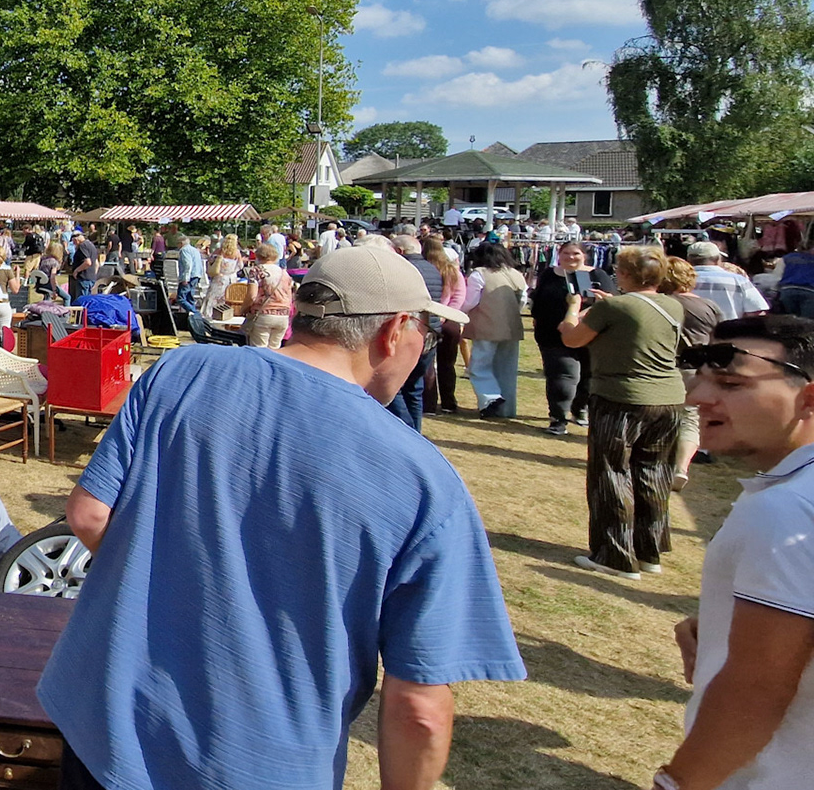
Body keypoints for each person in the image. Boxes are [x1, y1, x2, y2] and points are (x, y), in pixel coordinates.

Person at [40, 245, 520, 790]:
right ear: (394, 331)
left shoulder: (182, 369)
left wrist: (169, 586)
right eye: (426, 336)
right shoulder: (425, 481)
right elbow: (420, 708)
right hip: (257, 762)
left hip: (104, 723)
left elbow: (88, 514)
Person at [655, 316, 814, 790]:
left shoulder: (786, 508)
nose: (696, 397)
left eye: (729, 383)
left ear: (809, 399)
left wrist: (677, 784)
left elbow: (756, 689)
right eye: (700, 378)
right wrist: (727, 618)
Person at [556, 245, 686, 580]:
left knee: (611, 474)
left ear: (626, 274)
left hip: (621, 397)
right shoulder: (672, 304)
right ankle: (648, 550)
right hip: (668, 399)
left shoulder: (613, 307)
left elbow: (573, 339)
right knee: (654, 473)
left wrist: (573, 310)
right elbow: (635, 323)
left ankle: (614, 555)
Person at [532, 242, 618, 435]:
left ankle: (580, 409)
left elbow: (610, 303)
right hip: (552, 335)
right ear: (559, 255)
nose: (570, 257)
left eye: (576, 253)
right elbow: (538, 301)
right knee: (562, 375)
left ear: (584, 256)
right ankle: (558, 418)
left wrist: (579, 315)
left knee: (587, 377)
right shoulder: (549, 274)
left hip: (590, 335)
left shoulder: (597, 275)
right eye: (566, 253)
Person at [659, 256, 723, 491]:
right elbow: (717, 340)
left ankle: (655, 461)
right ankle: (681, 468)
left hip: (664, 365)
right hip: (697, 368)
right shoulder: (709, 306)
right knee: (691, 418)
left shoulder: (660, 303)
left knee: (658, 415)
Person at [463, 241, 526, 420]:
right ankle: (507, 409)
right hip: (511, 326)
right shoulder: (516, 274)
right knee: (507, 368)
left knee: (479, 366)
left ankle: (491, 399)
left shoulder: (479, 274)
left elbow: (471, 301)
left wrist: (459, 312)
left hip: (486, 324)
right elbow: (522, 300)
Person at [388, 235, 444, 431]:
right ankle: (416, 431)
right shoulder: (433, 269)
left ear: (400, 251)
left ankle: (408, 429)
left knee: (394, 385)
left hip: (411, 331)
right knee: (414, 387)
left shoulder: (402, 269)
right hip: (431, 332)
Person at [424, 237, 466, 415]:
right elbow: (460, 296)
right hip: (450, 321)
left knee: (428, 364)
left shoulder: (424, 269)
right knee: (447, 364)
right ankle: (449, 402)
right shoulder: (453, 270)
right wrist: (448, 312)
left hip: (429, 318)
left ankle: (429, 404)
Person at [688, 241, 770, 322]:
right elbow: (757, 312)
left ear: (688, 260)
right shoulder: (739, 280)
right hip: (730, 329)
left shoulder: (683, 281)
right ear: (717, 259)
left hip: (691, 330)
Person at [242, 242, 293, 349]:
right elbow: (289, 296)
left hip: (263, 314)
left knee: (259, 349)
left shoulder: (256, 270)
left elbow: (251, 296)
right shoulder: (284, 273)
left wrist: (243, 309)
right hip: (283, 316)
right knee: (275, 349)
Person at [69, 230, 98, 305]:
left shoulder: (82, 246)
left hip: (83, 278)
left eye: (73, 241)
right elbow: (96, 263)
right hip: (91, 278)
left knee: (82, 302)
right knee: (88, 302)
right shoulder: (91, 245)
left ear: (76, 239)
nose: (74, 244)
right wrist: (94, 274)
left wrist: (76, 270)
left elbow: (88, 262)